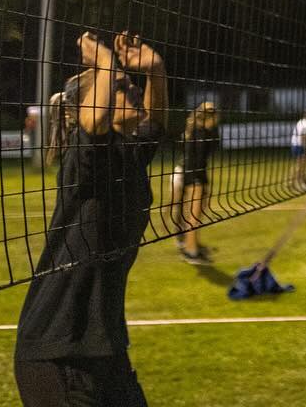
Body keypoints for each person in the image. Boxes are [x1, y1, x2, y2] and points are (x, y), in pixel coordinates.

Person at [14, 30, 167, 407]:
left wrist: (157, 71)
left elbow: (156, 125)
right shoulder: (85, 160)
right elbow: (94, 124)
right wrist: (103, 63)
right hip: (59, 351)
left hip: (104, 345)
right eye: (120, 87)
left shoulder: (127, 156)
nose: (131, 90)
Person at [177, 101, 219, 264]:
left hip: (198, 174)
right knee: (193, 216)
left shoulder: (203, 130)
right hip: (194, 176)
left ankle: (193, 245)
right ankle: (190, 252)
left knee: (197, 214)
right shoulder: (199, 132)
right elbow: (195, 159)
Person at [290, 110, 306, 185]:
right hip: (299, 145)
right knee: (301, 165)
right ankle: (298, 181)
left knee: (298, 164)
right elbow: (303, 137)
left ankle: (292, 181)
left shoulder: (300, 121)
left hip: (294, 144)